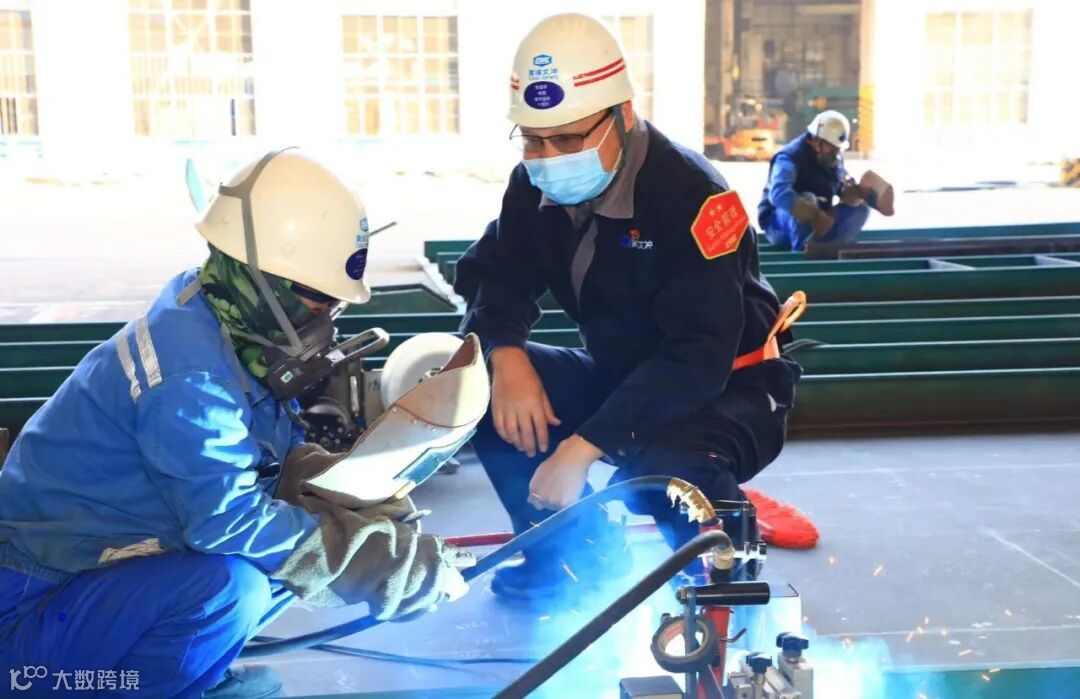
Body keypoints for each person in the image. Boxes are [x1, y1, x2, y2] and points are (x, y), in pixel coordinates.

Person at [0, 149, 472, 698]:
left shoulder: (217, 311)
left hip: (99, 573)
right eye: (318, 299)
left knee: (297, 558)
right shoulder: (189, 377)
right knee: (235, 586)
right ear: (261, 278)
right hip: (32, 609)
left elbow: (259, 456)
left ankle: (185, 670)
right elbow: (225, 522)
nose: (327, 319)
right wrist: (374, 564)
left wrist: (345, 490)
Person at [454, 13, 803, 601]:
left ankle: (724, 581)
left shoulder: (692, 196)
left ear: (623, 115)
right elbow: (498, 272)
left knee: (658, 474)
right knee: (477, 381)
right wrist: (505, 354)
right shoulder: (534, 185)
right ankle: (574, 559)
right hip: (624, 376)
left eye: (569, 140)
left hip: (726, 389)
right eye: (533, 140)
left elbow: (697, 356)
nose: (548, 158)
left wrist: (582, 447)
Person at [758, 110, 895, 252]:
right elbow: (778, 194)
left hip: (818, 225)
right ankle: (802, 253)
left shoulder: (832, 158)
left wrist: (852, 193)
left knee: (861, 208)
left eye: (838, 148)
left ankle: (832, 249)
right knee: (808, 198)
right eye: (832, 147)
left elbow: (840, 183)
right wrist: (814, 214)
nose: (836, 152)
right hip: (778, 226)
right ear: (816, 141)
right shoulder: (789, 158)